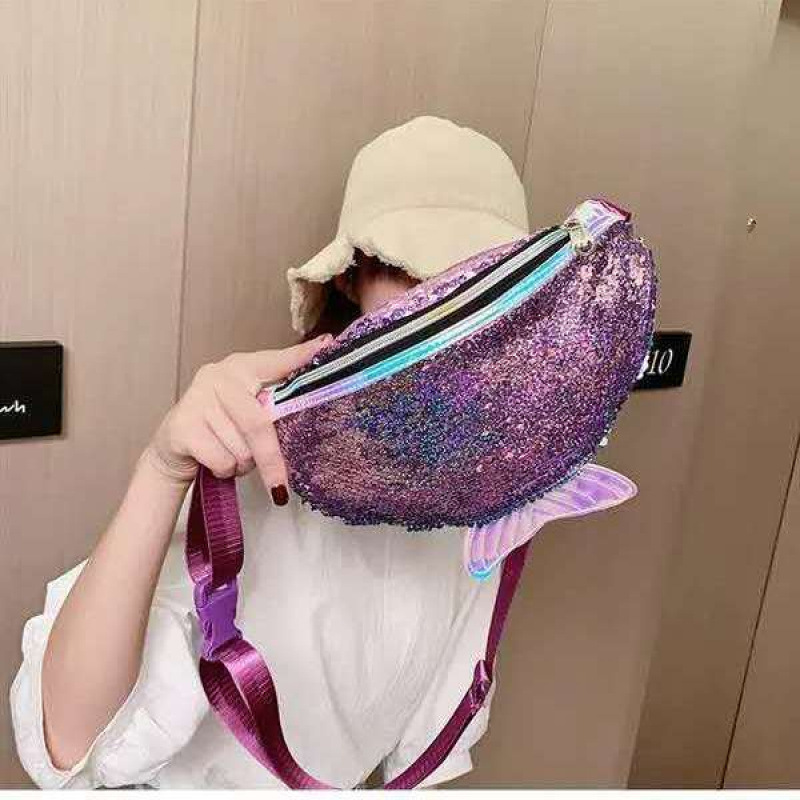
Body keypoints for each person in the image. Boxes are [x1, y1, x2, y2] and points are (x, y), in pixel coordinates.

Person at [10, 116, 531, 789]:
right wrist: (163, 469)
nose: (442, 313)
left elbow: (424, 753)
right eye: (410, 273)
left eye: (479, 284)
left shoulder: (496, 493)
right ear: (351, 279)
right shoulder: (253, 452)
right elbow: (67, 742)